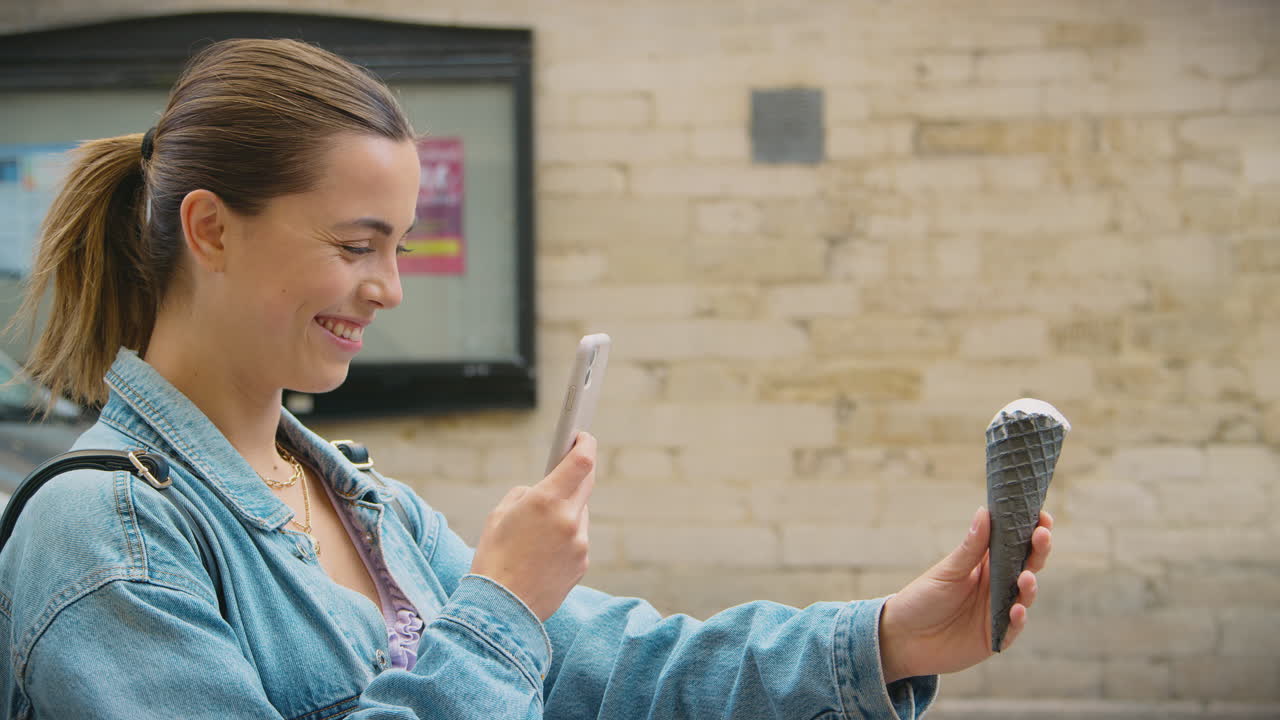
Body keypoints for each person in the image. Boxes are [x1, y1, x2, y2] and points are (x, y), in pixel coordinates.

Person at [0, 38, 1052, 719]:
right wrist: (499, 603)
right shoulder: (105, 541)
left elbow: (624, 668)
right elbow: (505, 648)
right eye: (358, 244)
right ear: (210, 229)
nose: (389, 290)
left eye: (402, 247)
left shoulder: (370, 507)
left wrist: (883, 638)